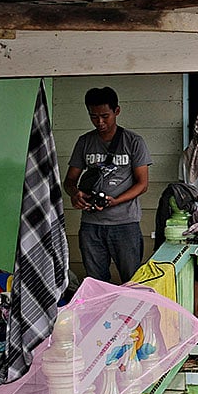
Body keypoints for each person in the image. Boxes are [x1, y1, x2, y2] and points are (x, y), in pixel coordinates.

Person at [64, 87, 152, 283]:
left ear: (117, 111)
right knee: (95, 281)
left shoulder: (133, 142)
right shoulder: (84, 142)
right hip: (91, 225)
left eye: (105, 116)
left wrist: (115, 201)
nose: (100, 122)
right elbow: (70, 180)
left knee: (131, 279)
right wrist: (75, 194)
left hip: (125, 223)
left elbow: (143, 184)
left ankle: (131, 314)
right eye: (94, 117)